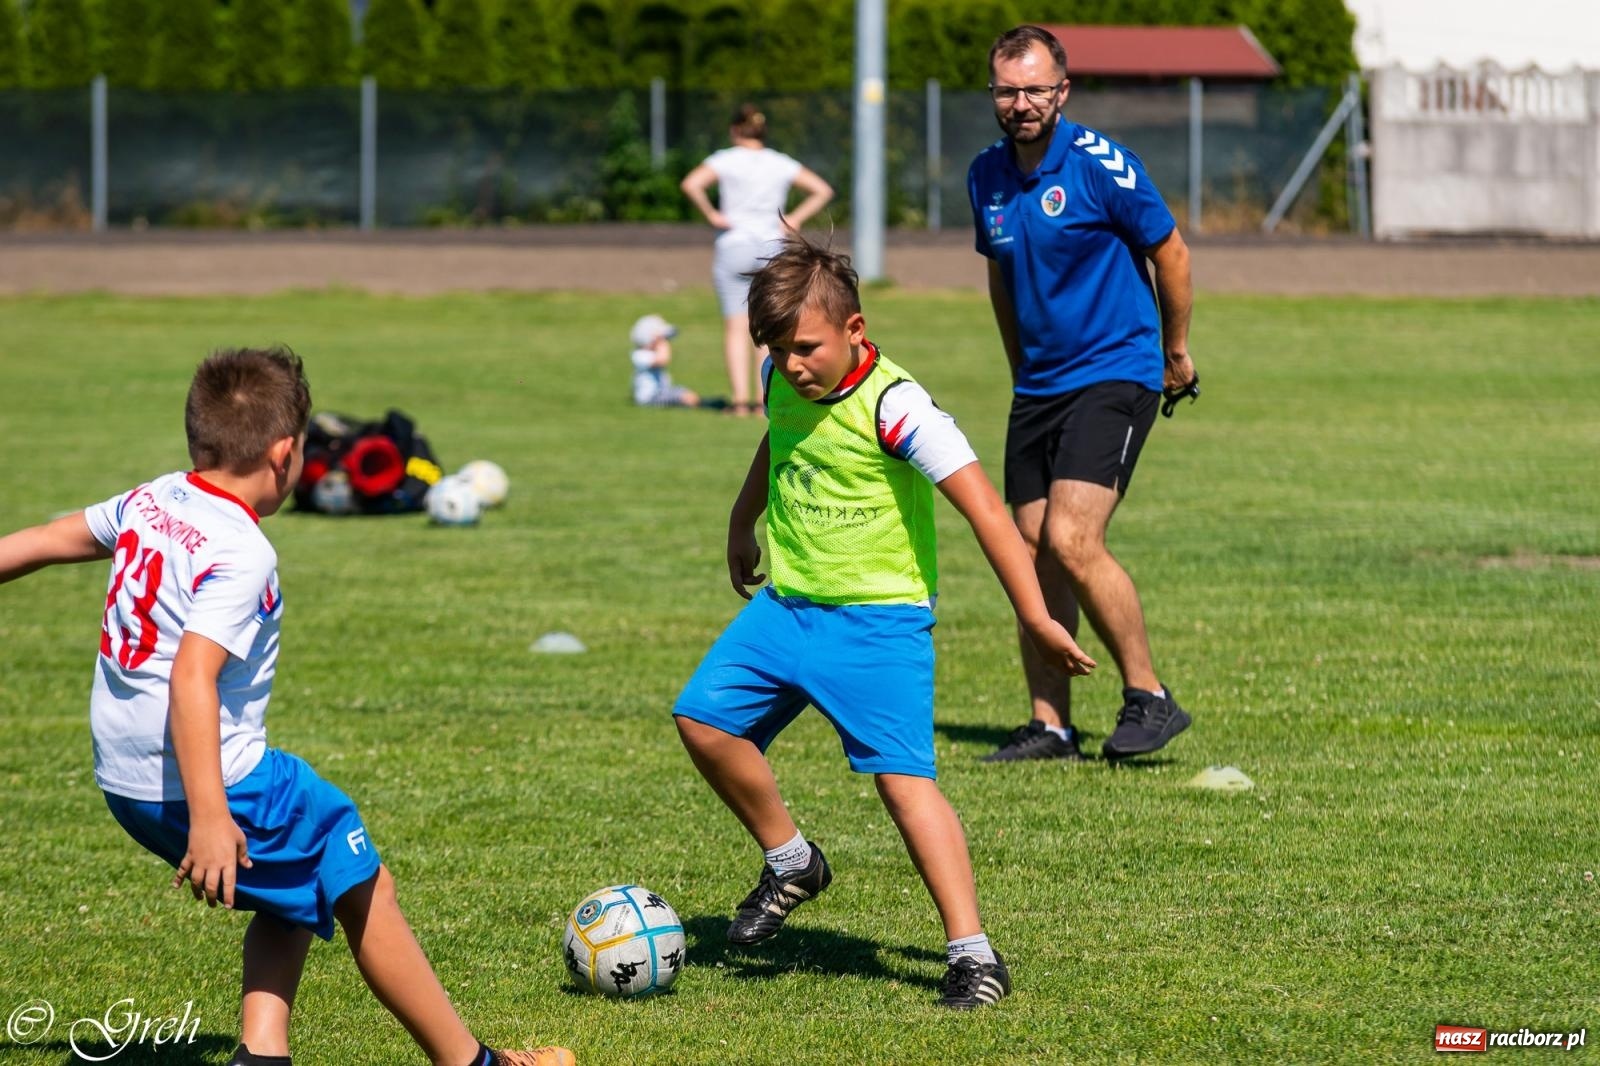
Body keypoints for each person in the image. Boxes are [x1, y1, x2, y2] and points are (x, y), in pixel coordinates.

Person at [0, 348, 573, 1066]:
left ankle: (263, 1052)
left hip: (123, 778)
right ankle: (474, 1062)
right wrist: (211, 818)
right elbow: (191, 678)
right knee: (360, 877)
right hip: (208, 781)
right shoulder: (242, 551)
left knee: (302, 882)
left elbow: (50, 538)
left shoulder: (154, 498)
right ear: (283, 455)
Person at [671, 238, 1097, 1010]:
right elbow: (780, 438)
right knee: (702, 721)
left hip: (879, 624)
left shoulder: (898, 407)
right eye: (776, 349)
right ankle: (792, 862)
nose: (791, 365)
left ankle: (973, 955)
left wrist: (1035, 617)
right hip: (788, 609)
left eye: (806, 348)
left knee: (905, 788)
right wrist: (743, 518)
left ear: (855, 329)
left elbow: (988, 513)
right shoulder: (780, 379)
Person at [967, 25, 1199, 764]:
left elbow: (1171, 252)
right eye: (1008, 91)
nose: (1022, 103)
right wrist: (1018, 368)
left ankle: (1150, 696)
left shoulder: (1102, 164)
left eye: (1036, 89)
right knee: (1034, 551)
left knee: (1072, 539)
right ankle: (1052, 727)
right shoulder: (985, 175)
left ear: (1062, 91)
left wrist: (1174, 351)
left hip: (1115, 369)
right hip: (1038, 384)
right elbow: (1001, 276)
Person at [680, 103, 834, 416]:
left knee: (735, 326)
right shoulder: (779, 162)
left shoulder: (725, 159)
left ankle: (740, 401)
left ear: (735, 130)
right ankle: (765, 399)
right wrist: (794, 218)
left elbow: (691, 183)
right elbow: (822, 190)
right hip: (771, 246)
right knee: (767, 327)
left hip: (734, 244)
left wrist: (712, 214)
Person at [629, 313, 702, 407]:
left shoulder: (650, 353)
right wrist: (663, 344)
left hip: (660, 392)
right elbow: (662, 360)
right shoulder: (640, 355)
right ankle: (700, 405)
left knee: (685, 393)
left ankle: (700, 403)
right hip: (650, 397)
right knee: (685, 396)